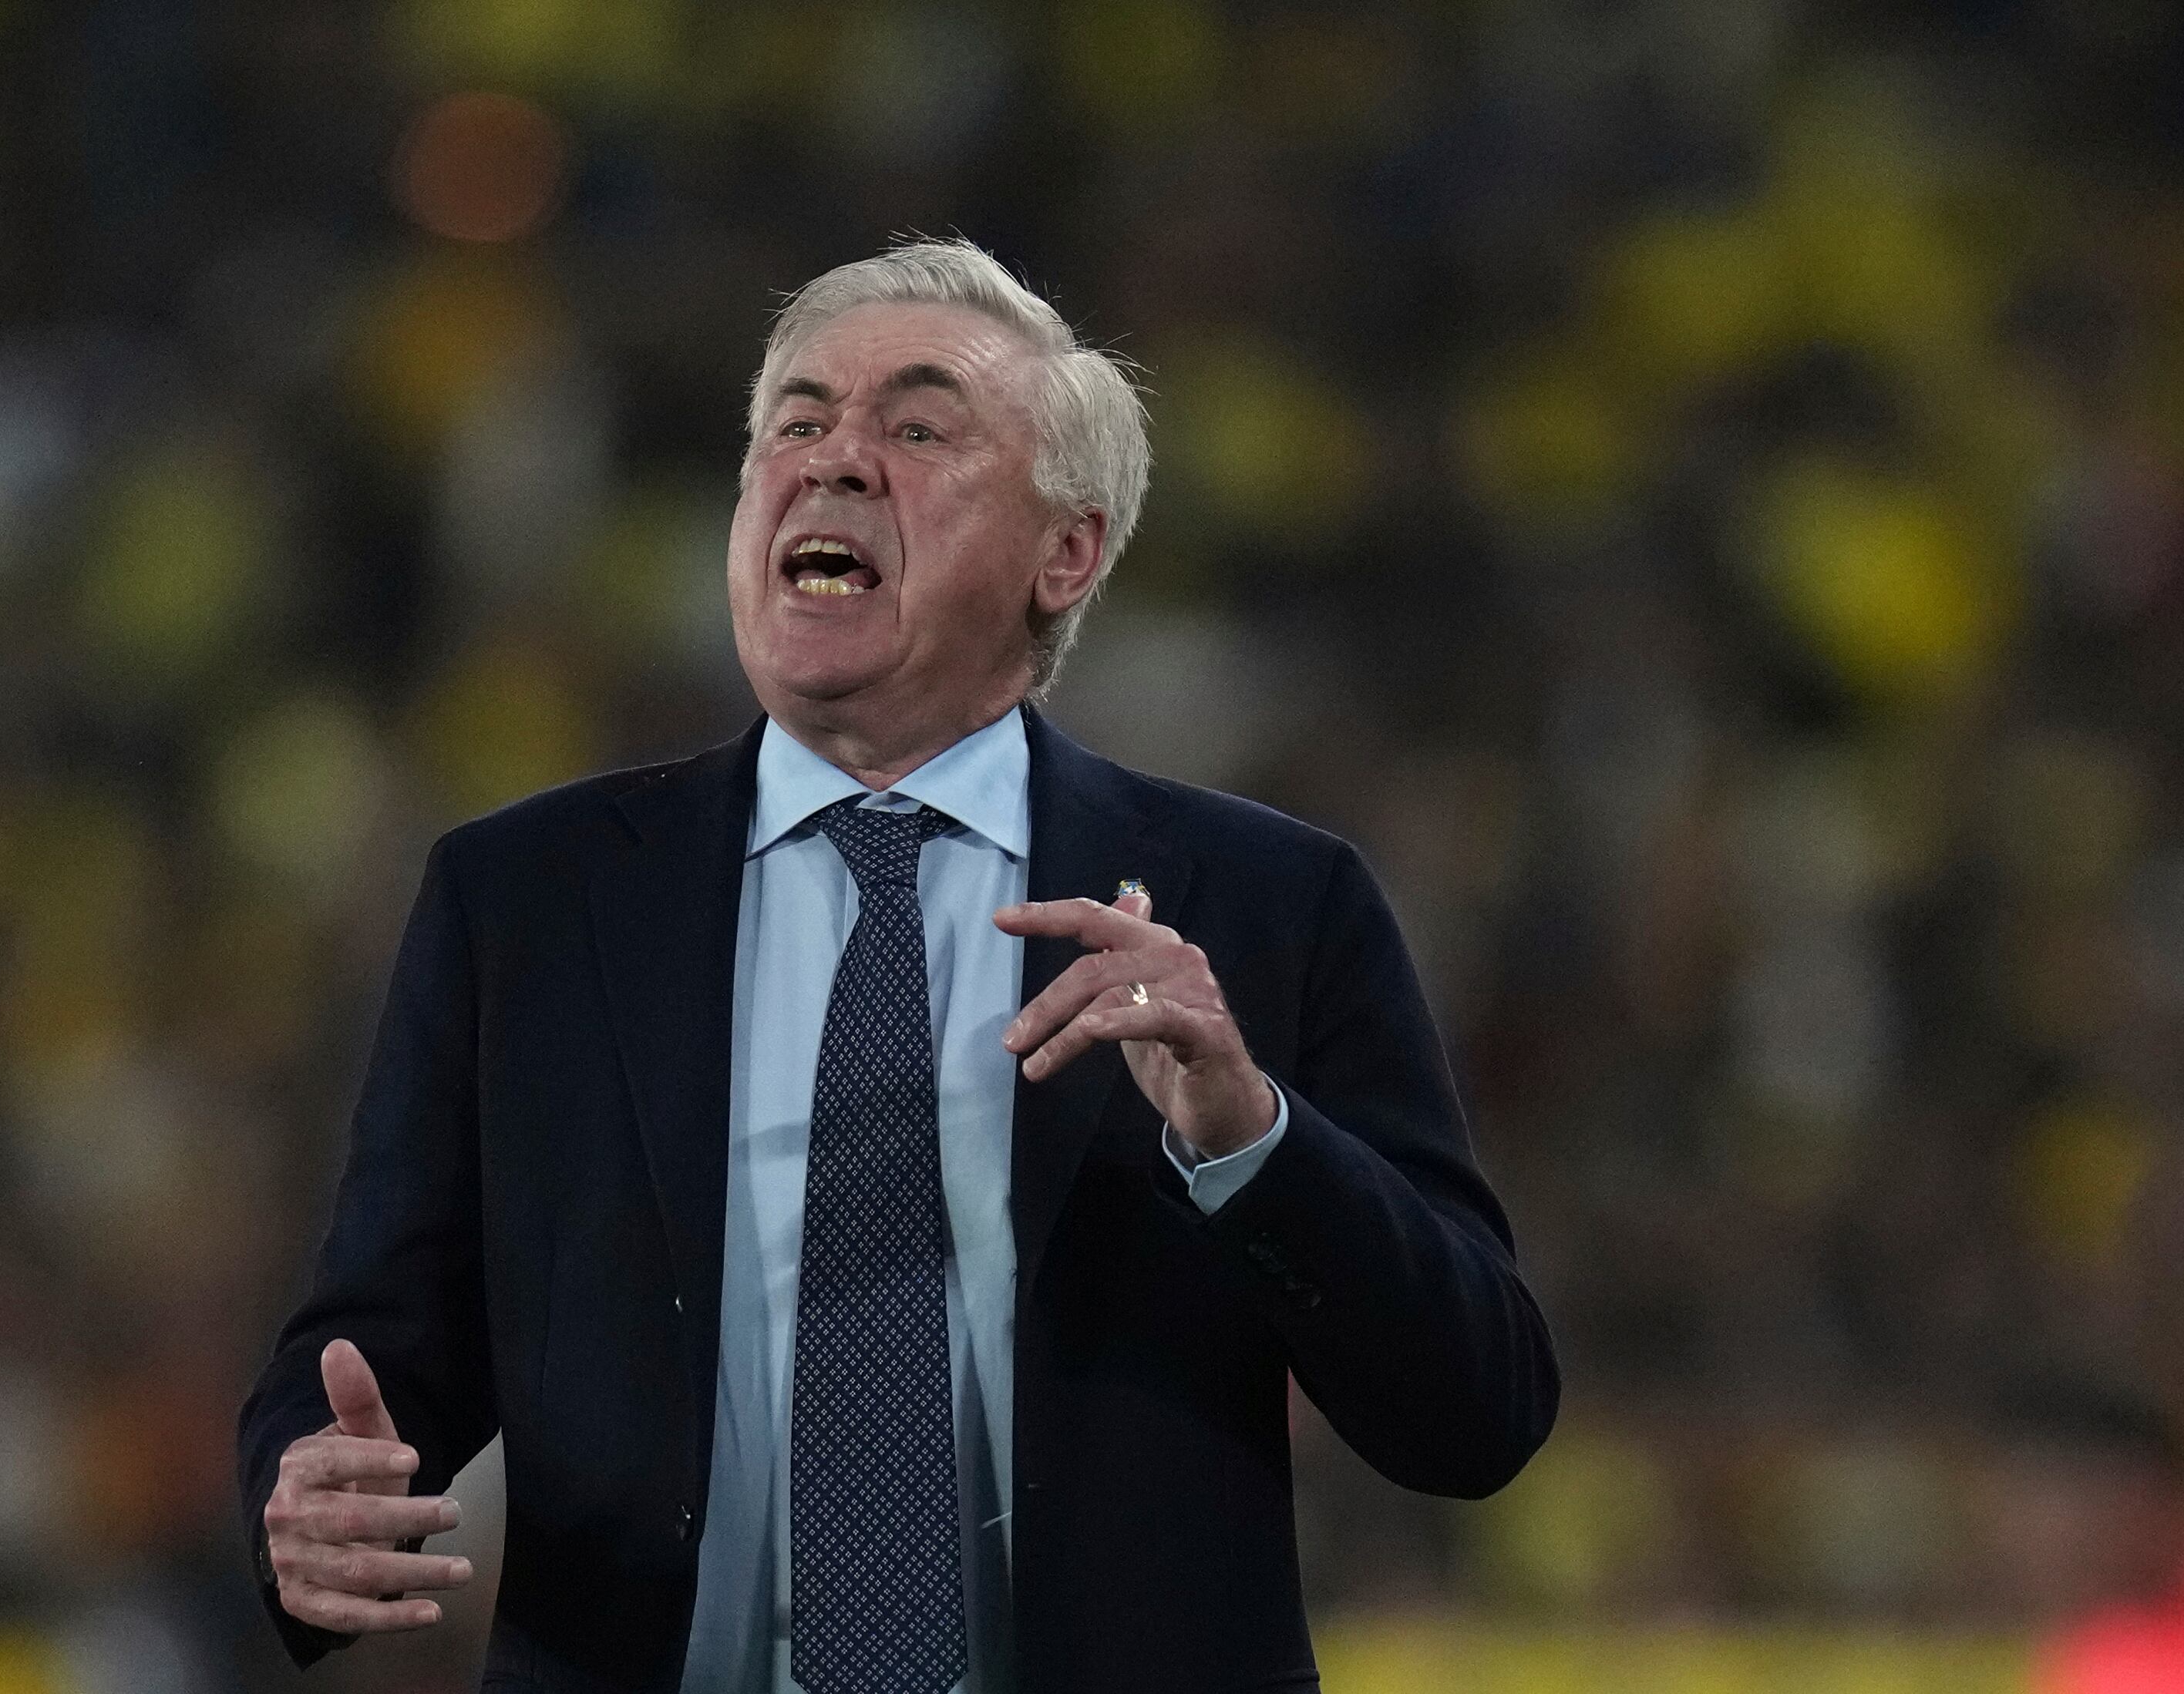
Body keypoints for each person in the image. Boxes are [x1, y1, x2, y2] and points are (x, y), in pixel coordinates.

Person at [236, 237, 1558, 1693]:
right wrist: (312, 1488)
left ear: (1069, 550)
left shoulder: (1262, 904)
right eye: (794, 424)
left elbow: (1477, 1409)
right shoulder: (526, 901)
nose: (834, 461)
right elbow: (373, 1344)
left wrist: (1253, 1142)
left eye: (917, 428)